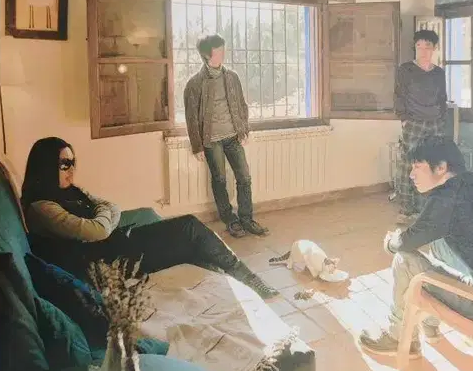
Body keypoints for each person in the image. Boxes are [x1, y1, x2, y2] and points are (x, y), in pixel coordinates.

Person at [20, 137, 280, 300]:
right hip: (105, 263)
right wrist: (104, 220)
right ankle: (248, 279)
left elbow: (111, 207)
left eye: (73, 162)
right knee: (189, 227)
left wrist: (104, 220)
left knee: (190, 240)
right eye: (64, 164)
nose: (71, 169)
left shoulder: (69, 192)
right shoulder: (42, 207)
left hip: (112, 247)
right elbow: (98, 230)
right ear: (45, 166)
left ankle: (240, 280)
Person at [358, 138, 473, 355]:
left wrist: (390, 242)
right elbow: (428, 230)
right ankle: (430, 324)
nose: (411, 175)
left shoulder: (445, 197)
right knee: (439, 240)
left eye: (417, 166)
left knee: (404, 260)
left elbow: (405, 242)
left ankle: (398, 338)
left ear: (441, 167)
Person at [183, 34, 269, 239]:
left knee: (244, 178)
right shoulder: (194, 84)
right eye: (219, 50)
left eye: (223, 49)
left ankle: (246, 218)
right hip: (211, 141)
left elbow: (241, 104)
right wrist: (197, 146)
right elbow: (191, 117)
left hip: (233, 136)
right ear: (207, 55)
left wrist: (244, 129)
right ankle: (230, 220)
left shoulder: (232, 77)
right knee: (220, 180)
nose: (223, 53)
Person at [394, 29, 448, 220]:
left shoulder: (439, 73)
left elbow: (442, 99)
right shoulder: (406, 70)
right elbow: (399, 96)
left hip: (435, 125)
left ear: (434, 49)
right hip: (414, 124)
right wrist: (404, 119)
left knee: (431, 167)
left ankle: (424, 210)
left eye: (427, 47)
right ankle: (406, 209)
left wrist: (441, 119)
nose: (422, 51)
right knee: (408, 167)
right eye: (419, 46)